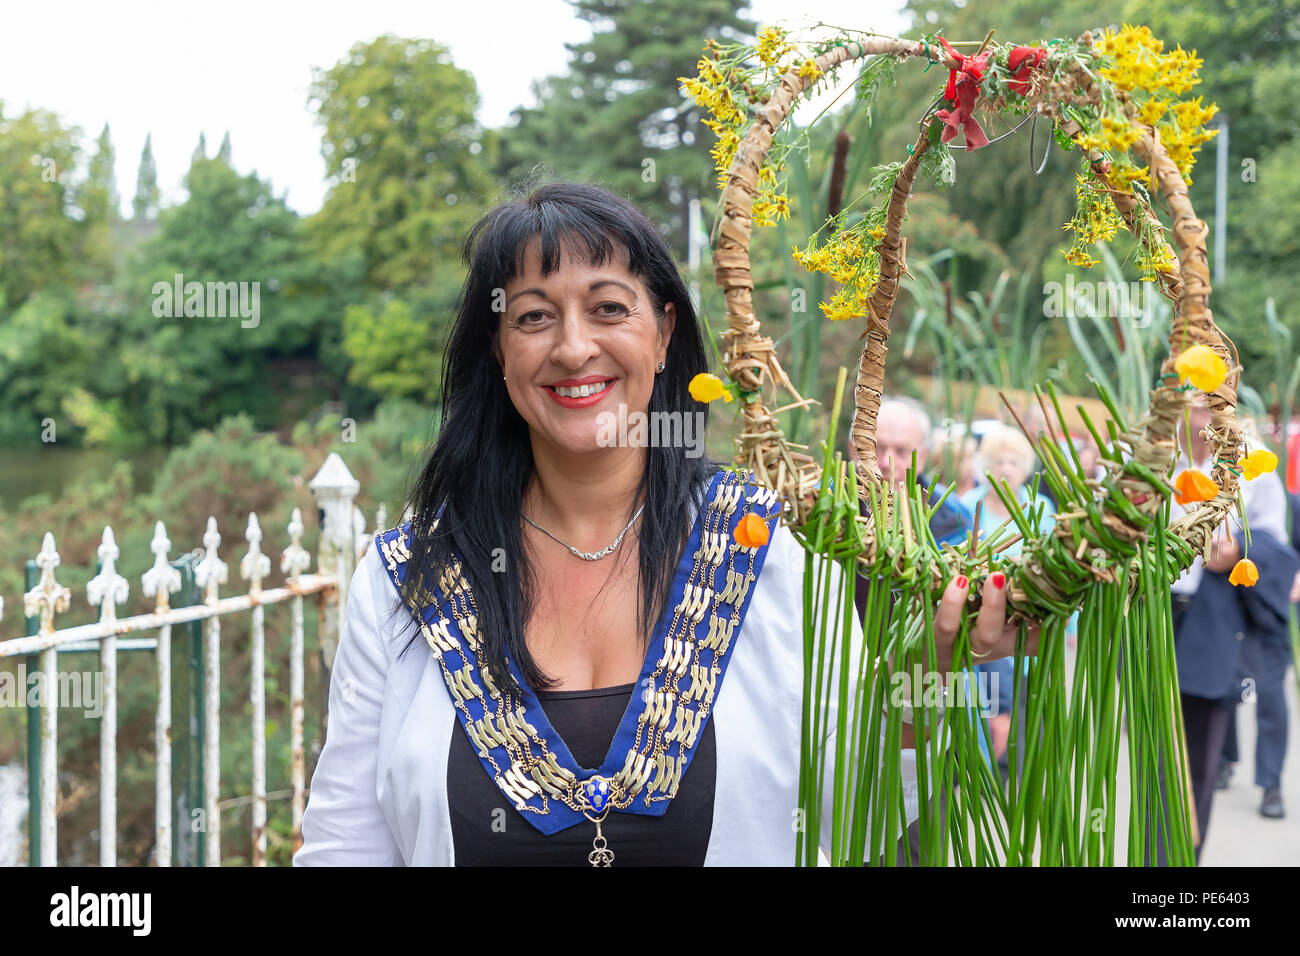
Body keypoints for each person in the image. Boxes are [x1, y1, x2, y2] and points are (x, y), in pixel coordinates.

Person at [293, 181, 1027, 866]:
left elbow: (857, 817)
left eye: (609, 308)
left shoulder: (777, 547)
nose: (574, 347)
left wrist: (925, 672)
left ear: (664, 330)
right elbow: (344, 846)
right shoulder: (408, 582)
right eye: (533, 316)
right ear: (499, 349)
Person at [1167, 401, 1298, 861]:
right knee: (1154, 746)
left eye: (1211, 399)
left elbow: (1276, 546)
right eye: (1190, 398)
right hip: (1152, 613)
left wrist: (1238, 546)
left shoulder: (1251, 459)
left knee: (1198, 757)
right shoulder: (1150, 452)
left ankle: (1181, 858)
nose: (1200, 411)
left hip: (1212, 617)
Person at [1217, 453, 1296, 820]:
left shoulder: (1284, 502)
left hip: (1268, 612)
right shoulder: (1212, 487)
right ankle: (1222, 758)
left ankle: (1271, 782)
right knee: (1222, 685)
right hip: (1223, 606)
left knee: (1269, 694)